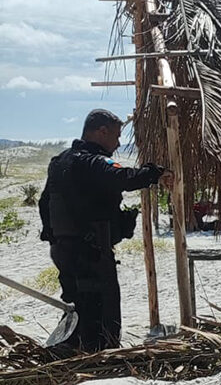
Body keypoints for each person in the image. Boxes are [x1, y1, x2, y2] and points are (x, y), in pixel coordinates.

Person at [39, 109, 173, 352]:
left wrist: (54, 237)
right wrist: (154, 172)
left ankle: (71, 353)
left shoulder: (60, 162)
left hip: (63, 250)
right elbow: (122, 177)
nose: (118, 143)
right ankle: (96, 360)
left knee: (78, 306)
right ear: (102, 132)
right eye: (116, 135)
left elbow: (44, 202)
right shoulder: (92, 161)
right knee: (102, 312)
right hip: (90, 252)